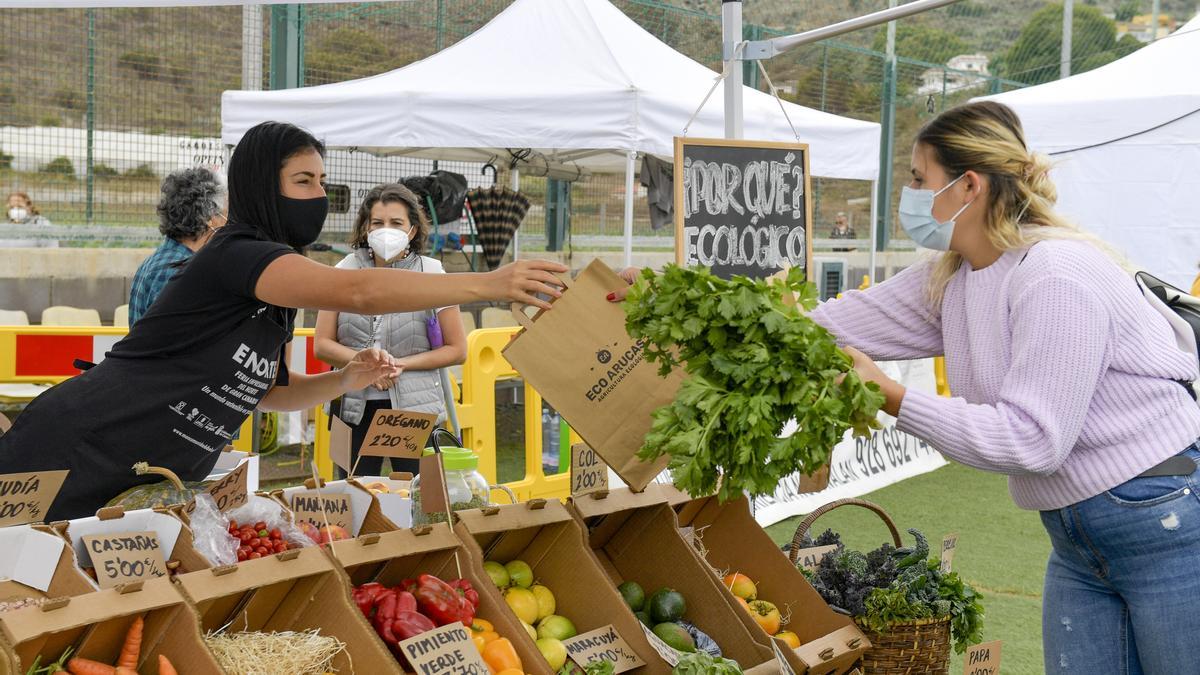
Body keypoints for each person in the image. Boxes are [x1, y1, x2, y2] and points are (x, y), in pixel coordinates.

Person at [613, 102, 1200, 674]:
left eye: (920, 179)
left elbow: (1033, 441)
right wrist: (672, 292)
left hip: (1162, 518)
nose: (911, 195)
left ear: (968, 186)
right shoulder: (955, 276)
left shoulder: (1057, 276)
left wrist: (892, 396)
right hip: (1077, 539)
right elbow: (810, 328)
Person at [0, 121, 566, 522]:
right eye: (304, 181)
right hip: (75, 448)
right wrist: (490, 282)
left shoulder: (274, 289)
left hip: (142, 478)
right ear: (258, 185)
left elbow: (269, 393)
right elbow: (360, 290)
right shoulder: (237, 253)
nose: (320, 195)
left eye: (322, 182)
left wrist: (347, 380)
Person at [315, 183, 467, 476]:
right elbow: (322, 344)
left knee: (419, 496)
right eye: (378, 223)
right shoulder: (342, 271)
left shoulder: (432, 273)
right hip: (352, 408)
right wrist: (366, 365)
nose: (387, 230)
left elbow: (457, 350)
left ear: (412, 230)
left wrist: (395, 365)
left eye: (396, 223)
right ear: (365, 228)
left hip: (415, 410)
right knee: (354, 493)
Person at [128, 168, 228, 325]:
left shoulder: (156, 262)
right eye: (226, 215)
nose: (227, 223)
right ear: (209, 217)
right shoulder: (180, 272)